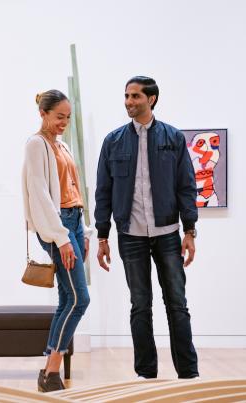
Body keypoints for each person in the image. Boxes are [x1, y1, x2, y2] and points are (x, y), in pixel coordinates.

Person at [94, 76, 199, 379]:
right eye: (126, 96)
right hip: (131, 236)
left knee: (177, 304)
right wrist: (103, 235)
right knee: (140, 306)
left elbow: (186, 187)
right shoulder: (113, 141)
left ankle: (189, 374)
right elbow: (103, 191)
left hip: (168, 234)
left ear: (151, 99)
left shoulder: (173, 138)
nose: (129, 102)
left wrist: (189, 231)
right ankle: (146, 374)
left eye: (135, 96)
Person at [22, 89, 92, 392]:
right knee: (80, 299)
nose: (64, 122)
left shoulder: (61, 145)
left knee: (68, 299)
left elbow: (73, 188)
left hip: (73, 221)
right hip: (57, 226)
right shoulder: (36, 144)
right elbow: (39, 193)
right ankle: (51, 369)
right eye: (59, 116)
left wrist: (84, 231)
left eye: (68, 117)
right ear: (43, 113)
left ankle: (48, 374)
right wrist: (62, 239)